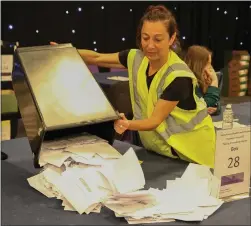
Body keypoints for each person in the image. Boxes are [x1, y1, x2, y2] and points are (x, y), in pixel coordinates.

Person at [51, 5, 216, 168]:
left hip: (194, 153)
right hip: (165, 152)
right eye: (145, 38)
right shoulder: (135, 58)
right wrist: (66, 51)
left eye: (158, 39)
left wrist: (127, 124)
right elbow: (97, 57)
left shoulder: (179, 77)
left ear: (171, 38)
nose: (150, 45)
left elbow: (154, 121)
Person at [184, 45, 221, 115]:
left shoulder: (202, 78)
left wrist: (216, 108)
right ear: (199, 64)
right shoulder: (187, 81)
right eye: (208, 64)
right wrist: (214, 81)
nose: (210, 68)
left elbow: (215, 102)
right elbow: (203, 104)